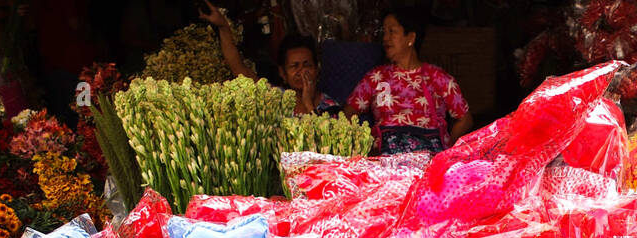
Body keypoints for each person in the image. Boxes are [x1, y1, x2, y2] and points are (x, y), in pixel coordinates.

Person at [343, 8, 472, 155]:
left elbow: (465, 118)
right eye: (384, 32)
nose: (385, 38)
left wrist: (447, 149)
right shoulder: (376, 77)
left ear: (410, 38)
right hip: (385, 159)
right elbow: (347, 113)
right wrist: (362, 143)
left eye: (392, 31)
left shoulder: (437, 77)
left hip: (429, 159)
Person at [201, 3, 338, 114]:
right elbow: (238, 68)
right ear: (282, 73)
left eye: (307, 65)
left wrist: (308, 103)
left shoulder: (331, 106)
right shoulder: (276, 97)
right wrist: (223, 26)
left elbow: (327, 144)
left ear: (317, 69)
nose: (301, 72)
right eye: (294, 66)